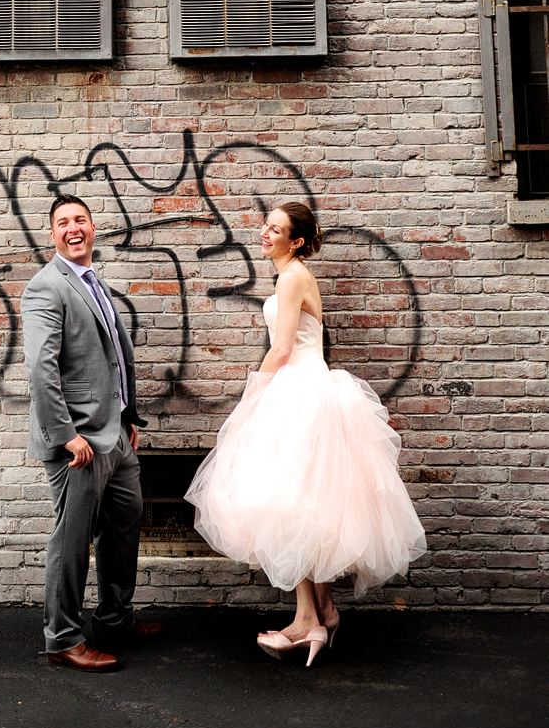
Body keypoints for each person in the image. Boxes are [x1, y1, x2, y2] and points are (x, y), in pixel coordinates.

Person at [185, 202, 426, 667]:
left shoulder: (292, 276)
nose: (264, 233)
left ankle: (305, 622)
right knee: (310, 500)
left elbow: (281, 347)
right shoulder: (292, 274)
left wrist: (252, 394)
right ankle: (324, 613)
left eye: (275, 229)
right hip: (307, 387)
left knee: (287, 500)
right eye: (265, 225)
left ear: (295, 241)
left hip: (297, 388)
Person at [22, 194, 163, 672]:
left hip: (115, 434)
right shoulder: (46, 287)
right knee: (73, 538)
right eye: (63, 223)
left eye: (80, 219)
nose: (73, 228)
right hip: (78, 442)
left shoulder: (92, 281)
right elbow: (42, 370)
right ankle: (63, 637)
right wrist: (66, 435)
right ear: (52, 235)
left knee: (125, 525)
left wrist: (127, 417)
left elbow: (112, 360)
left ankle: (115, 617)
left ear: (93, 227)